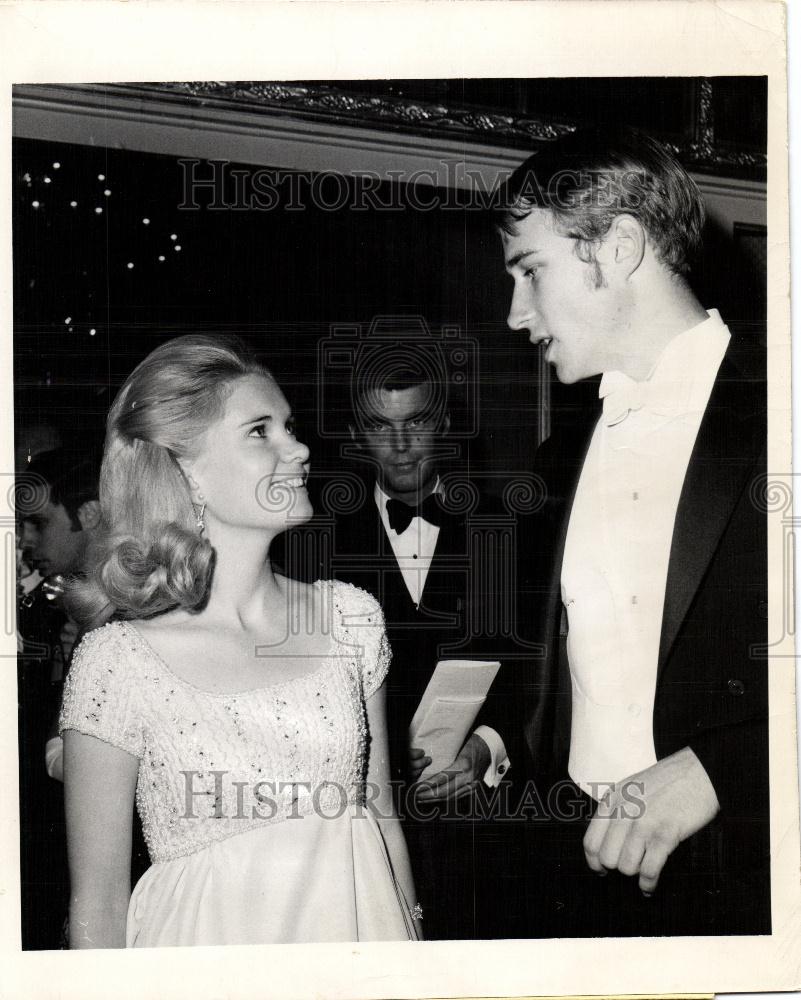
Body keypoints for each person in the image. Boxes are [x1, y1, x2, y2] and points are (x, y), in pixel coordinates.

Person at [59, 334, 420, 948]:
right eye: (260, 431)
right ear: (184, 471)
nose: (299, 448)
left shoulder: (350, 619)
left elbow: (382, 818)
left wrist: (419, 965)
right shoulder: (116, 664)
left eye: (289, 426)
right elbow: (97, 900)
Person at [498, 127, 768, 936]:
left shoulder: (782, 410)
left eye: (529, 272)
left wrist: (729, 768)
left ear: (616, 248)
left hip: (748, 877)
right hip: (570, 875)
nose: (515, 315)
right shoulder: (561, 455)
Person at [300, 338, 524, 939]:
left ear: (444, 423)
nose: (399, 445)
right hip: (356, 829)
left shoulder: (502, 527)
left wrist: (485, 749)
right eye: (379, 425)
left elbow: (533, 670)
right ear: (356, 432)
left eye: (416, 422)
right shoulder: (311, 539)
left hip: (485, 829)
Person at [16, 446, 101, 949]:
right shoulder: (59, 607)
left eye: (39, 524)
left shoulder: (130, 615)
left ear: (88, 516)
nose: (26, 542)